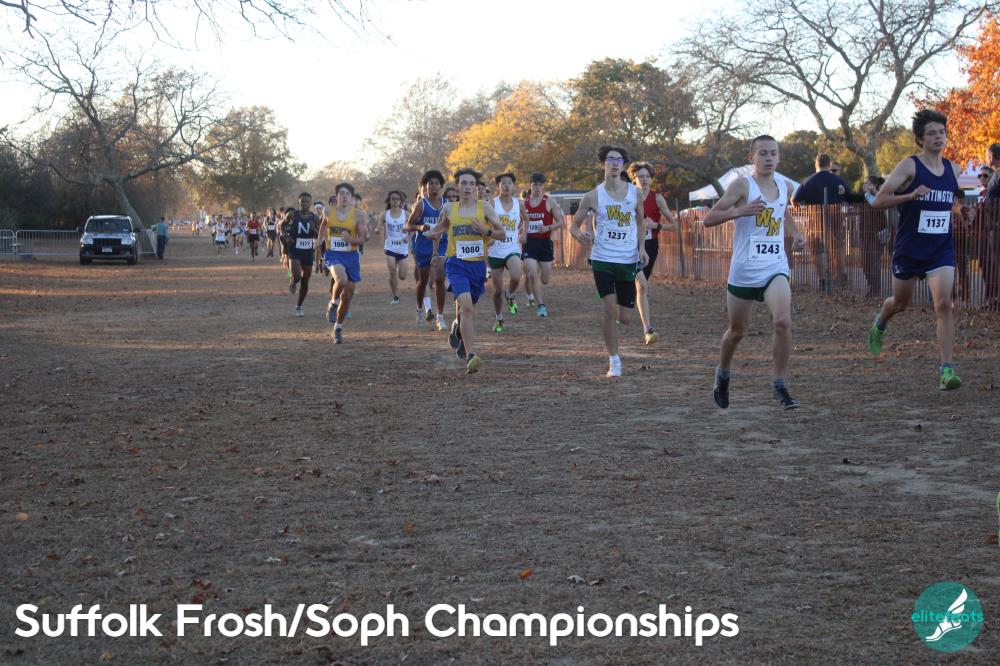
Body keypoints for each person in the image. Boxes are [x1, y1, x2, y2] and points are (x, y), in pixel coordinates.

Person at [704, 135, 807, 410]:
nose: (769, 158)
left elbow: (783, 214)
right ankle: (723, 374)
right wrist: (740, 212)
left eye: (773, 153)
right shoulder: (742, 185)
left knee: (782, 322)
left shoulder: (785, 186)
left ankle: (779, 385)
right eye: (763, 153)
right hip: (744, 270)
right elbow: (709, 219)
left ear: (779, 157)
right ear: (752, 158)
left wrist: (796, 234)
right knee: (737, 332)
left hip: (775, 266)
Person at [868, 109, 963, 390]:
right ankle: (880, 322)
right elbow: (878, 201)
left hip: (940, 249)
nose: (938, 137)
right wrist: (910, 195)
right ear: (920, 139)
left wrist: (960, 211)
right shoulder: (909, 167)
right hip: (910, 249)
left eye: (942, 132)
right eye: (932, 133)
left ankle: (946, 371)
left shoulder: (954, 170)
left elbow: (947, 202)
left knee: (944, 304)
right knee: (900, 303)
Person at [569, 146, 648, 378]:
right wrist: (578, 234)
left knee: (625, 318)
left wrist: (642, 248)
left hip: (627, 259)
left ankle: (614, 330)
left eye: (619, 160)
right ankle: (614, 361)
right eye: (610, 159)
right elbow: (574, 225)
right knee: (609, 307)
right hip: (602, 259)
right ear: (603, 163)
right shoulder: (592, 196)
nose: (614, 163)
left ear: (623, 164)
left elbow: (641, 222)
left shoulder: (635, 193)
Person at [425, 167, 506, 373]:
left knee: (467, 310)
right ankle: (471, 355)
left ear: (476, 187)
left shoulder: (484, 207)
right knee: (468, 308)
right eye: (464, 183)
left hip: (477, 266)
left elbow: (502, 234)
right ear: (457, 186)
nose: (468, 187)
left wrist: (485, 230)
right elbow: (442, 227)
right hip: (456, 265)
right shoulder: (449, 208)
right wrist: (430, 234)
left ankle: (457, 327)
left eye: (471, 183)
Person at [628, 161, 678, 344]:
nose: (644, 180)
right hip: (628, 245)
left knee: (641, 285)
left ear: (651, 179)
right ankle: (648, 329)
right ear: (633, 178)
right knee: (640, 285)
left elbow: (674, 226)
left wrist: (656, 225)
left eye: (647, 177)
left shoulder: (657, 199)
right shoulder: (626, 196)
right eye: (640, 176)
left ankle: (641, 323)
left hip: (650, 246)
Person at [317, 183, 366, 343]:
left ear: (351, 198)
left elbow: (362, 239)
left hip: (351, 256)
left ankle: (338, 327)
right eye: (341, 193)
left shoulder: (358, 214)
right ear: (336, 196)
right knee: (341, 279)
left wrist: (350, 239)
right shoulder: (328, 211)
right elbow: (323, 225)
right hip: (333, 254)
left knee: (348, 296)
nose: (344, 196)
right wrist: (319, 240)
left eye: (347, 194)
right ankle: (333, 302)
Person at [792, 153, 849, 290]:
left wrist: (801, 210)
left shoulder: (808, 181)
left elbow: (794, 199)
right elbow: (848, 195)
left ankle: (823, 280)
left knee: (816, 250)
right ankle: (841, 278)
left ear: (816, 164)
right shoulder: (838, 179)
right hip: (835, 218)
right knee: (837, 248)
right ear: (829, 164)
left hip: (814, 219)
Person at [404, 170, 448, 330]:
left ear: (441, 186)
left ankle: (440, 317)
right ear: (425, 186)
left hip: (442, 245)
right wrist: (420, 227)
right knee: (423, 282)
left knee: (440, 278)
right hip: (423, 246)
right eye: (430, 184)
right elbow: (407, 226)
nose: (434, 186)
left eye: (437, 183)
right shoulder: (421, 204)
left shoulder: (447, 204)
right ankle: (420, 309)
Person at [488, 173, 528, 333]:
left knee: (516, 276)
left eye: (509, 183)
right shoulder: (492, 203)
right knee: (497, 290)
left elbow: (526, 220)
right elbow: (485, 222)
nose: (506, 186)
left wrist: (523, 234)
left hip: (512, 247)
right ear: (498, 186)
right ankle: (499, 318)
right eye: (503, 183)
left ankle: (510, 295)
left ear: (513, 186)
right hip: (495, 249)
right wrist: (489, 236)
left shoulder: (519, 203)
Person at [522, 173, 566, 318]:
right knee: (532, 275)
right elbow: (519, 222)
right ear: (530, 185)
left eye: (540, 185)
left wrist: (547, 227)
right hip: (530, 243)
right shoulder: (524, 203)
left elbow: (561, 222)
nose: (537, 188)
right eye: (535, 185)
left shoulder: (549, 201)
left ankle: (535, 281)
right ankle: (541, 305)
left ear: (543, 187)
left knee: (544, 280)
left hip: (545, 243)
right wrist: (521, 234)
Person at [278, 192, 321, 317]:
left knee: (305, 280)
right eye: (302, 201)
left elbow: (319, 235)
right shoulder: (292, 214)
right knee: (297, 276)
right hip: (294, 249)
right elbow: (281, 225)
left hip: (308, 251)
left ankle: (299, 306)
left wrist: (314, 230)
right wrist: (286, 236)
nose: (305, 204)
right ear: (299, 202)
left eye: (307, 201)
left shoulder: (314, 218)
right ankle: (293, 281)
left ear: (311, 203)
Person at [859, 176, 890, 298]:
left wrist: (873, 191)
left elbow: (882, 204)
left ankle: (875, 290)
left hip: (877, 235)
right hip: (864, 234)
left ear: (874, 185)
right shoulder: (863, 197)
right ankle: (871, 285)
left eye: (868, 183)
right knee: (865, 262)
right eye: (864, 183)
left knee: (874, 261)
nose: (865, 185)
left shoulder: (880, 196)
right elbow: (851, 197)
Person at [381, 190, 410, 304]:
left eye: (397, 199)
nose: (395, 201)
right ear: (389, 201)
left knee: (402, 276)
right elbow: (379, 225)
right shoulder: (384, 214)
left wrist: (409, 237)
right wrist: (378, 229)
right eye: (393, 199)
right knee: (392, 271)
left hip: (402, 247)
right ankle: (395, 296)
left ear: (401, 201)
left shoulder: (406, 214)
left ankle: (398, 270)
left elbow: (414, 228)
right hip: (390, 247)